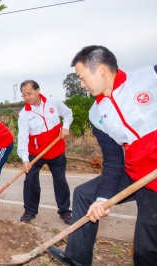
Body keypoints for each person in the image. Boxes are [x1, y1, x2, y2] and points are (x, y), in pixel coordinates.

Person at [48, 45, 157, 266]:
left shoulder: (149, 77)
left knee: (146, 249)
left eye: (82, 77)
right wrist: (101, 200)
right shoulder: (96, 114)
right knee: (85, 194)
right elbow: (114, 160)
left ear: (100, 70)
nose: (81, 84)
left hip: (154, 182)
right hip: (136, 173)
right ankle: (77, 259)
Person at [17, 80, 73, 224]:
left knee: (60, 180)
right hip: (36, 153)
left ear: (37, 90)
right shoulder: (24, 114)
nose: (27, 97)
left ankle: (65, 211)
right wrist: (25, 159)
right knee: (30, 180)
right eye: (24, 95)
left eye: (29, 93)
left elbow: (68, 114)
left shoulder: (52, 102)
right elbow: (22, 138)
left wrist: (65, 127)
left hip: (56, 150)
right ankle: (30, 211)